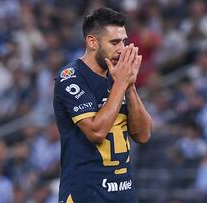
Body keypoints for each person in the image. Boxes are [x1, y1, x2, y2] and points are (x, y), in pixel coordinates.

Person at [53, 7, 153, 203]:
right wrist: (121, 84)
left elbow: (143, 135)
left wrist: (130, 87)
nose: (122, 49)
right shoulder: (71, 78)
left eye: (124, 41)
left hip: (124, 194)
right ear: (92, 41)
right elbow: (96, 132)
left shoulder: (119, 77)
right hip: (86, 195)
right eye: (114, 42)